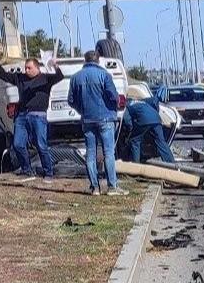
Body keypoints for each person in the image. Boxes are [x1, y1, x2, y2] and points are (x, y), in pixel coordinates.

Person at [67, 50, 123, 194]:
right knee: (108, 153)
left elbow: (71, 100)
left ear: (85, 60)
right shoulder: (104, 75)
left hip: (87, 119)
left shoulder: (75, 77)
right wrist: (116, 103)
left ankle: (95, 187)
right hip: (105, 117)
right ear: (98, 60)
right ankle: (112, 186)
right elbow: (113, 96)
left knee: (90, 153)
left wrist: (81, 110)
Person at [9, 54, 57, 178]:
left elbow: (59, 76)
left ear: (37, 68)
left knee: (41, 145)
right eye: (25, 68)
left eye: (29, 68)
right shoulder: (20, 78)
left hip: (38, 115)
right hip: (22, 115)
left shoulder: (45, 78)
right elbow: (2, 75)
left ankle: (48, 172)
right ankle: (27, 170)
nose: (26, 70)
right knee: (18, 144)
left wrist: (55, 65)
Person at [121, 82, 174, 164]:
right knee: (161, 141)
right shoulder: (141, 101)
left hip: (144, 121)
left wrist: (130, 130)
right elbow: (154, 102)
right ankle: (171, 163)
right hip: (157, 119)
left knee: (134, 141)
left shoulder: (127, 106)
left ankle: (136, 164)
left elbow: (127, 121)